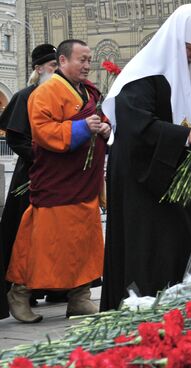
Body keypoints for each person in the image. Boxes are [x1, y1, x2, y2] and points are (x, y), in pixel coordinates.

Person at [100, 4, 191, 311]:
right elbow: (135, 127)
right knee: (149, 248)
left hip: (167, 176)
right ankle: (142, 308)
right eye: (190, 49)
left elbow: (176, 120)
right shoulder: (142, 77)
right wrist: (187, 136)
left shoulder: (173, 77)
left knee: (180, 238)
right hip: (141, 181)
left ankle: (180, 303)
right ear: (174, 42)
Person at [5, 39, 110, 323]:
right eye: (82, 60)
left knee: (84, 242)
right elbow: (42, 131)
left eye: (90, 60)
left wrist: (104, 127)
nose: (87, 65)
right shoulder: (46, 91)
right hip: (58, 183)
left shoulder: (87, 91)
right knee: (46, 244)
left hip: (84, 183)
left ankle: (80, 298)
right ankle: (20, 293)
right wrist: (80, 128)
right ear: (62, 61)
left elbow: (97, 118)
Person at [0, 44, 62, 320]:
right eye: (51, 67)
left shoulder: (64, 95)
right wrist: (41, 156)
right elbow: (14, 137)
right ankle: (23, 290)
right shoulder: (26, 96)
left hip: (59, 176)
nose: (56, 72)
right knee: (26, 234)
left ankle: (58, 287)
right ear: (39, 69)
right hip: (31, 174)